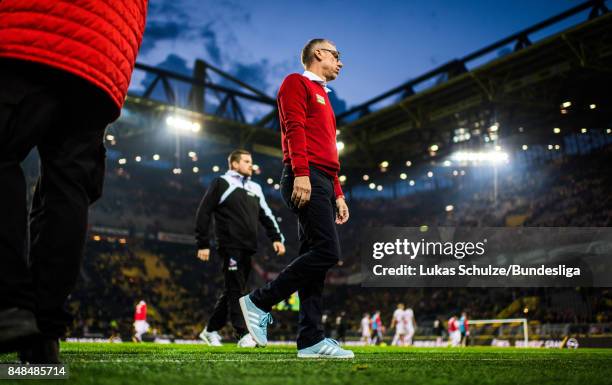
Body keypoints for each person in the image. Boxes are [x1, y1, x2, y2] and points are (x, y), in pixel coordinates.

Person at [0, 0, 148, 363]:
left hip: (29, 30)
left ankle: (9, 305)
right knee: (68, 187)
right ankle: (44, 335)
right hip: (106, 53)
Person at [237, 38, 353, 359]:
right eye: (336, 54)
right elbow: (293, 127)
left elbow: (329, 152)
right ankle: (259, 302)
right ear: (318, 54)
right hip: (306, 175)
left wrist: (338, 194)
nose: (340, 62)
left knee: (315, 260)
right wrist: (301, 172)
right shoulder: (296, 82)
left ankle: (311, 339)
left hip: (323, 179)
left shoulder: (326, 99)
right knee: (328, 252)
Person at [195, 150, 285, 348]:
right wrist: (203, 242)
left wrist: (276, 238)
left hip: (248, 247)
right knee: (238, 290)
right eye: (246, 161)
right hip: (229, 245)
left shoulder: (255, 188)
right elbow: (204, 212)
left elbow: (266, 215)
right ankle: (243, 334)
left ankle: (210, 330)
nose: (250, 165)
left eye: (251, 161)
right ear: (234, 164)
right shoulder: (222, 183)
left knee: (233, 290)